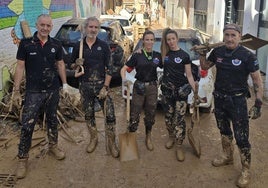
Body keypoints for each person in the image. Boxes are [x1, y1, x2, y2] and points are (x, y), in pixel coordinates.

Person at [196, 23, 263, 188]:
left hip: (238, 101)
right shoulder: (218, 51)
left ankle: (245, 169)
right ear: (223, 36)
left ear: (240, 37)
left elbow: (257, 80)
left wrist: (258, 103)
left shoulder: (248, 56)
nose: (230, 38)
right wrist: (203, 54)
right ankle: (227, 156)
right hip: (219, 98)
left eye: (233, 35)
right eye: (227, 35)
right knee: (224, 130)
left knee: (241, 137)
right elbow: (205, 67)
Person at [12, 14, 68, 179]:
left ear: (51, 27)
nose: (45, 28)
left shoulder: (56, 44)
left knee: (52, 120)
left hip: (52, 90)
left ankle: (53, 146)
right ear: (37, 25)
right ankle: (22, 159)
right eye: (42, 25)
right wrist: (16, 91)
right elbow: (20, 67)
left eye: (48, 26)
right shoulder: (26, 44)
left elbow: (60, 64)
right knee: (27, 125)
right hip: (33, 92)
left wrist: (64, 85)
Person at [70, 16, 119, 158]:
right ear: (85, 28)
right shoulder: (78, 46)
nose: (93, 30)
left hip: (101, 87)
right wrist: (76, 63)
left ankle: (112, 143)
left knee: (110, 116)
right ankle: (93, 139)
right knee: (89, 115)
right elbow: (72, 66)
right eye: (91, 27)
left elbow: (110, 68)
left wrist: (105, 87)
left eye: (96, 27)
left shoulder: (103, 46)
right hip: (85, 87)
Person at [121, 30, 162, 151]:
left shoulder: (157, 55)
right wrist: (124, 80)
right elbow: (124, 69)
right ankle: (131, 139)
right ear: (143, 41)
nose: (149, 42)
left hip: (152, 88)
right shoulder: (137, 55)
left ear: (154, 41)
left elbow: (167, 66)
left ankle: (148, 136)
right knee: (134, 114)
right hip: (138, 86)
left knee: (150, 114)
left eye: (151, 40)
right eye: (147, 39)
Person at [160, 28, 197, 162]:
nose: (171, 42)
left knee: (180, 119)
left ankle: (179, 145)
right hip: (167, 92)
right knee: (168, 117)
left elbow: (189, 76)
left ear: (177, 39)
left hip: (181, 93)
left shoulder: (184, 56)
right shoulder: (164, 54)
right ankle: (171, 137)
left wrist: (195, 91)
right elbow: (149, 57)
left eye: (173, 39)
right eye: (168, 39)